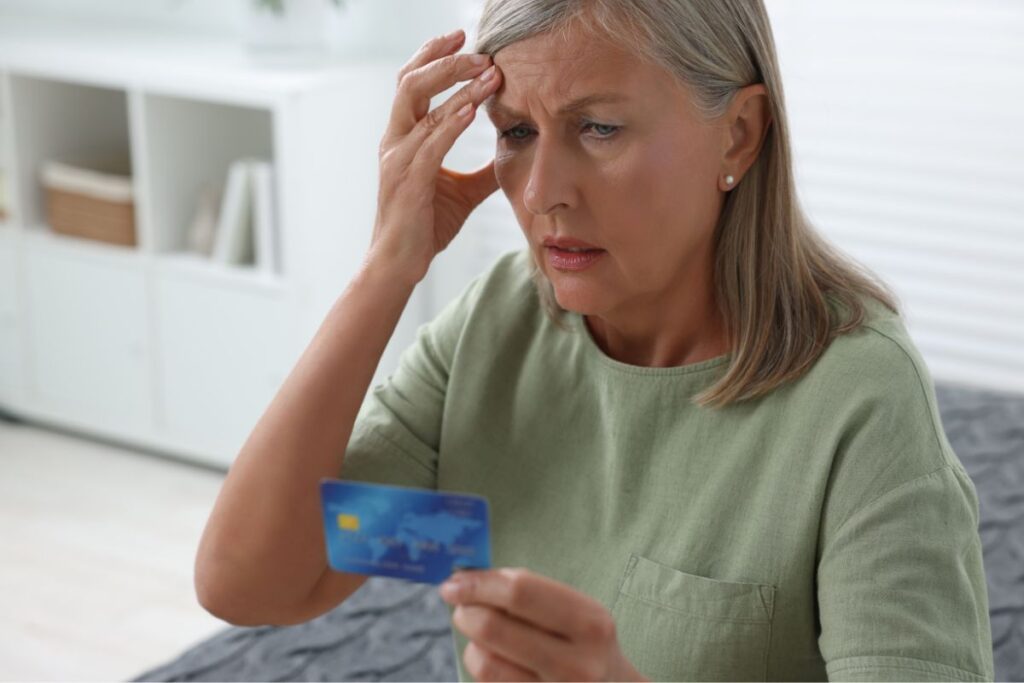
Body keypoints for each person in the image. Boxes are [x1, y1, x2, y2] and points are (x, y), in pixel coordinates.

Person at [194, 1, 995, 681]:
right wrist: (386, 271)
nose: (543, 193)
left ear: (739, 136)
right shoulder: (498, 329)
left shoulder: (858, 401)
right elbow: (258, 582)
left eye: (600, 128)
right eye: (514, 133)